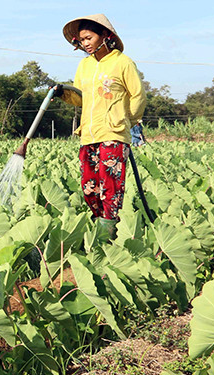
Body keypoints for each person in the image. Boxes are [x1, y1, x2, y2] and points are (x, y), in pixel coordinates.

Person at [55, 14, 146, 238]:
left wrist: (127, 123)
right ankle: (100, 226)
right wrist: (63, 93)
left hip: (113, 134)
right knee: (89, 187)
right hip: (88, 134)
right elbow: (80, 99)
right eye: (81, 40)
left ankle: (108, 235)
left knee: (110, 187)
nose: (85, 43)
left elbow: (138, 96)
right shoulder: (84, 65)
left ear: (105, 35)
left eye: (89, 37)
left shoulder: (122, 62)